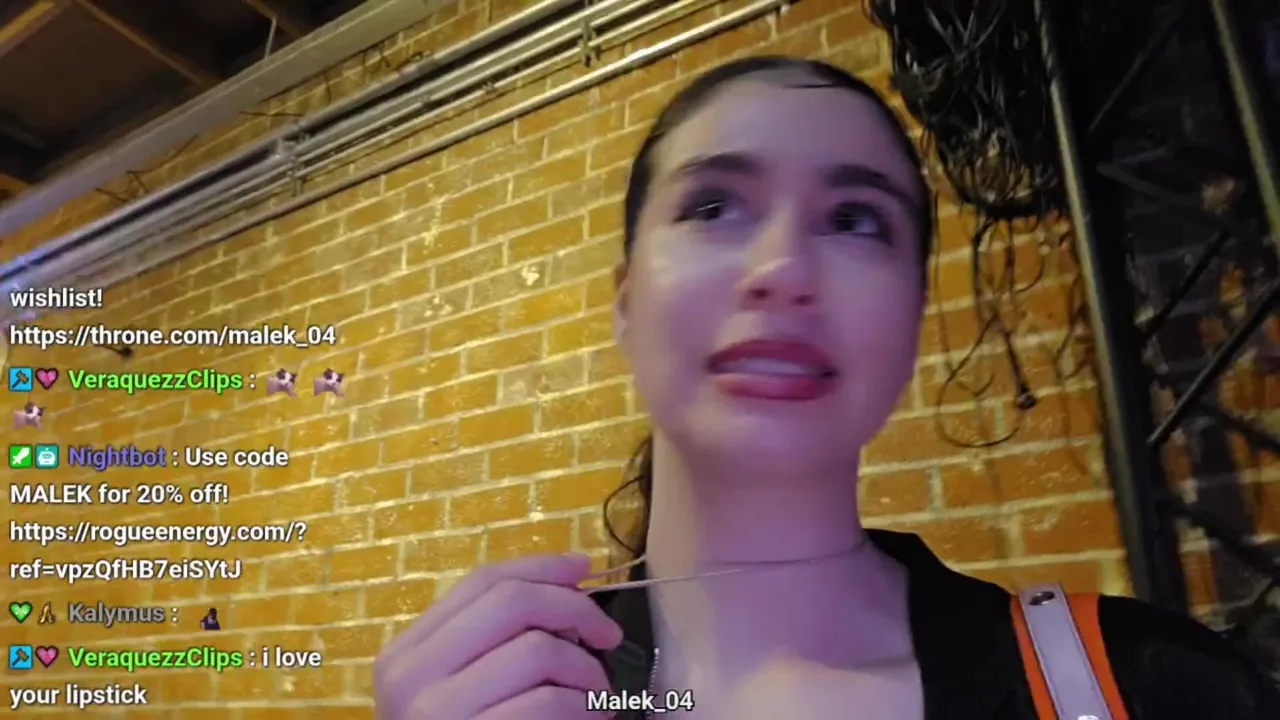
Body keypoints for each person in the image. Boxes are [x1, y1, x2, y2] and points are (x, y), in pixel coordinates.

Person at [373, 56, 1279, 719]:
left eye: (854, 220)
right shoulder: (506, 697)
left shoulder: (1160, 687)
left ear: (912, 315)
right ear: (624, 303)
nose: (782, 268)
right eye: (712, 207)